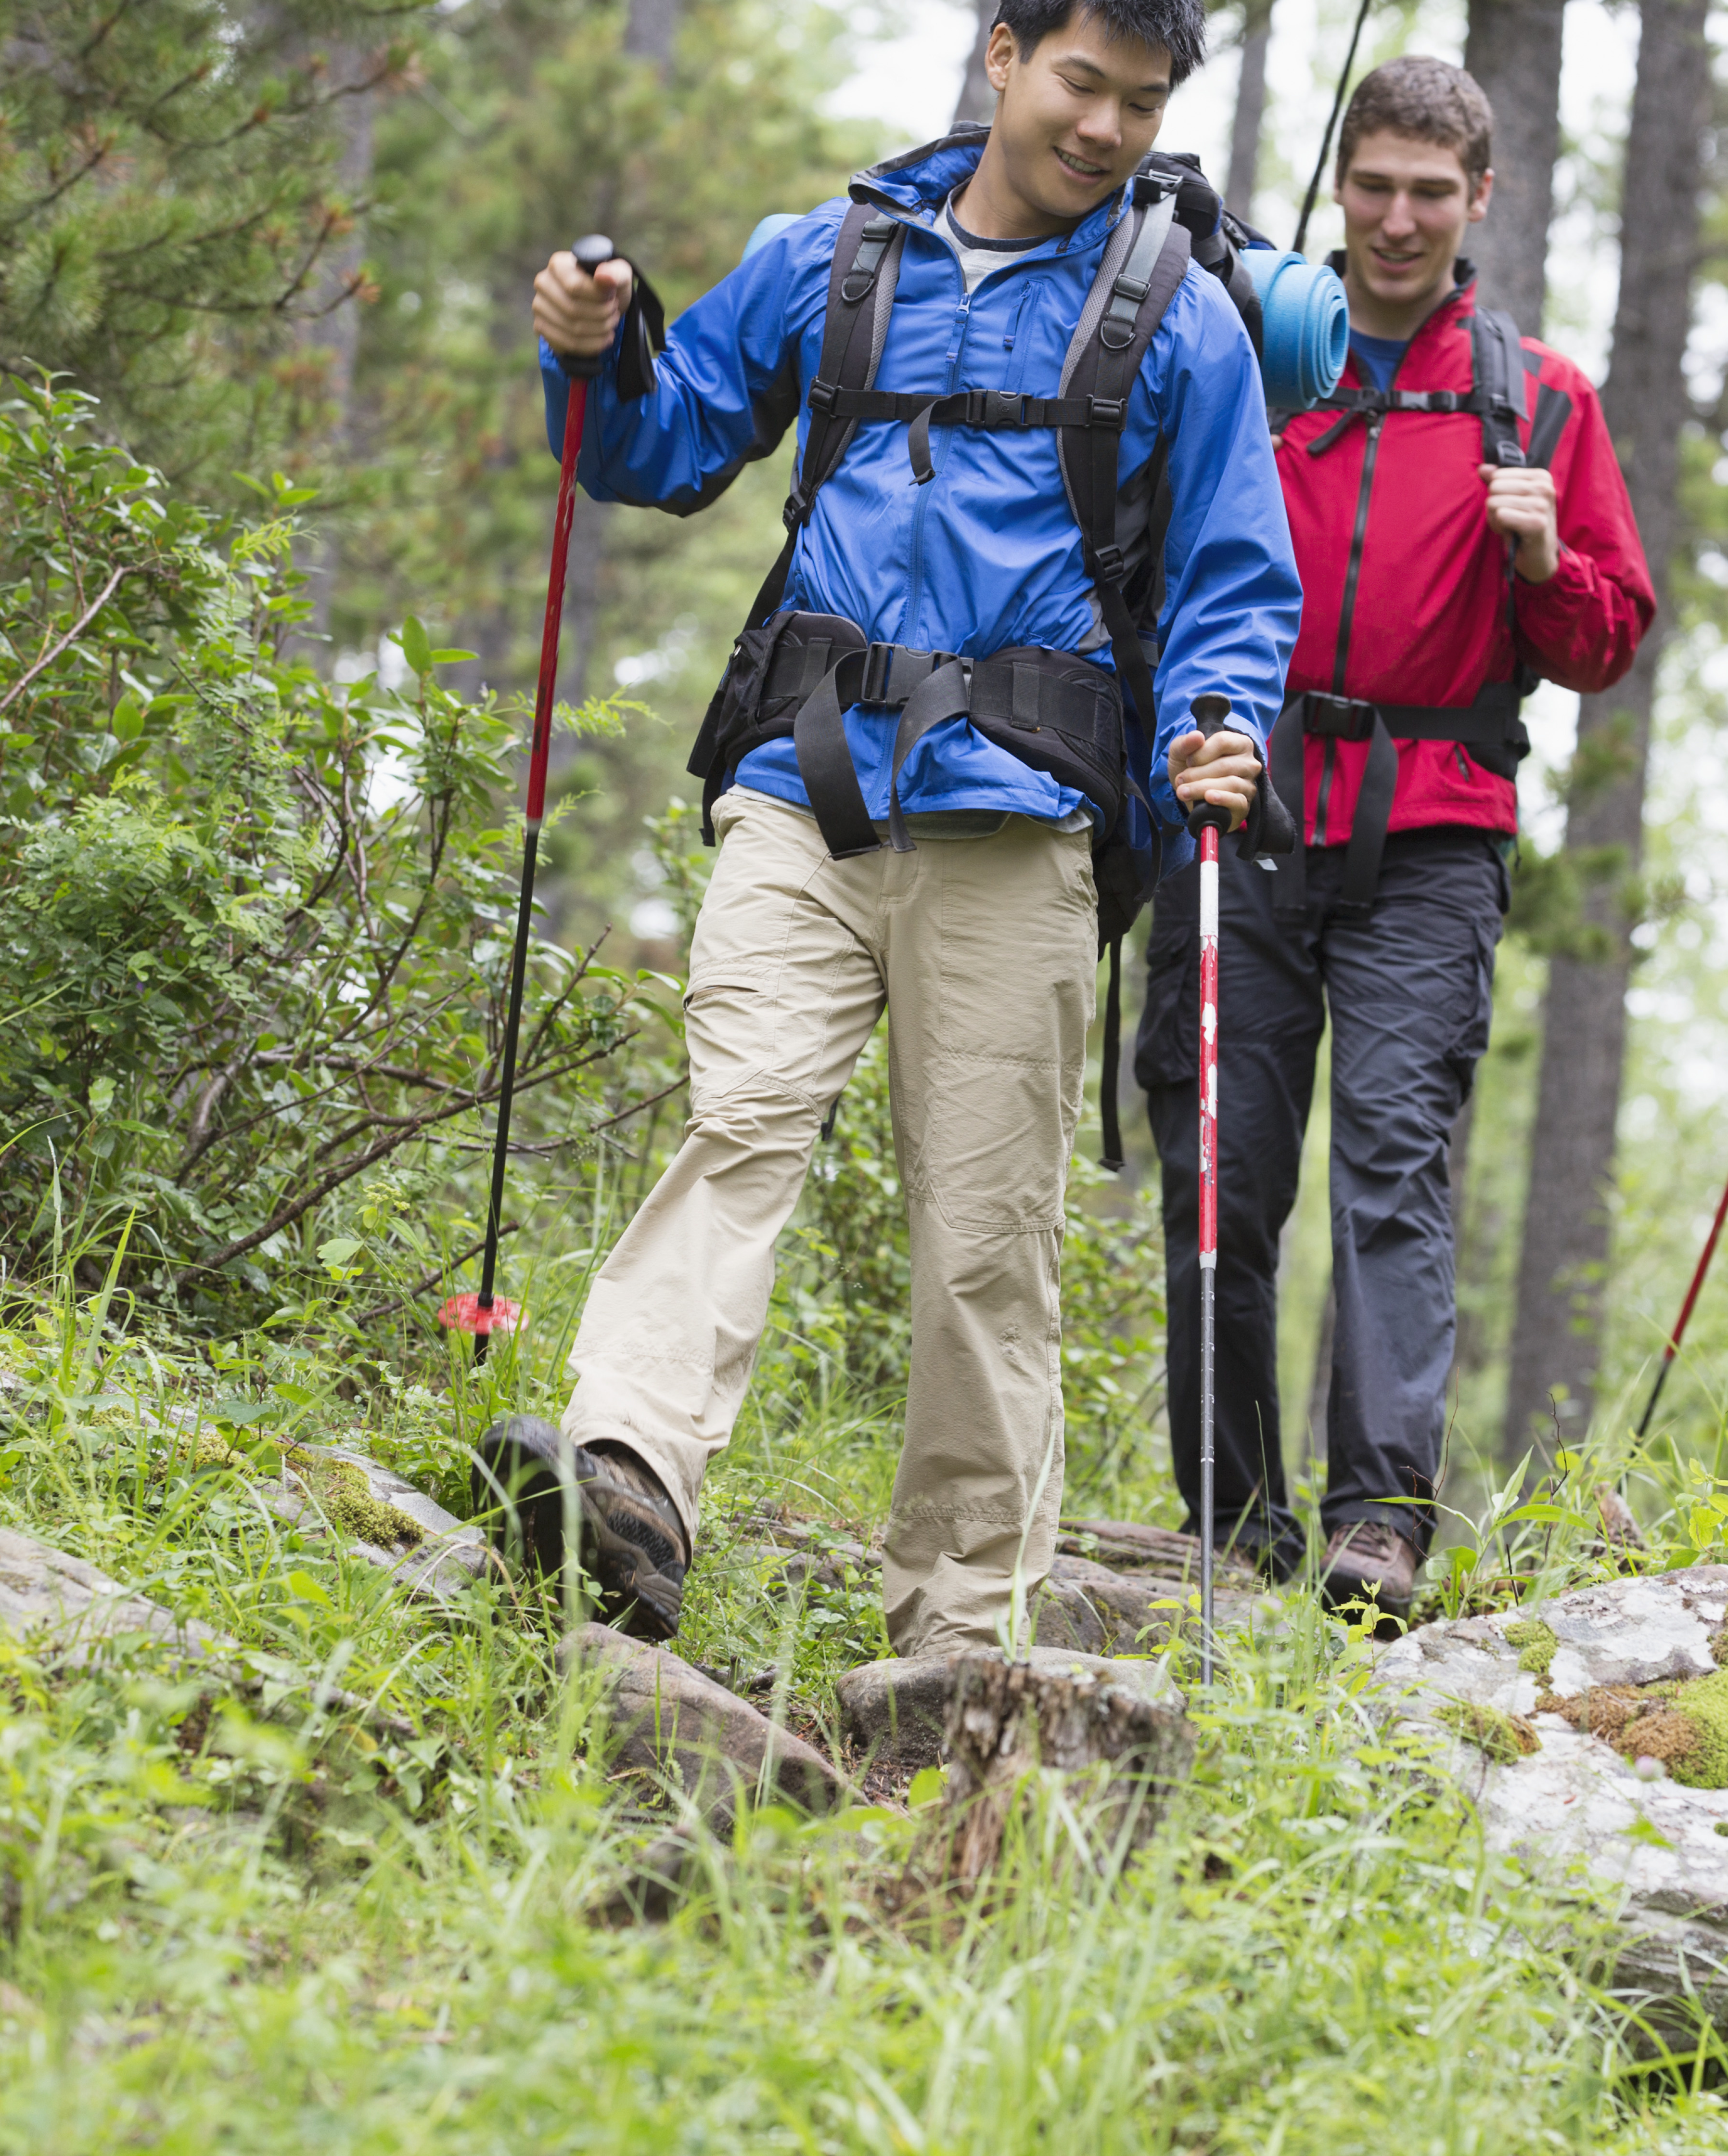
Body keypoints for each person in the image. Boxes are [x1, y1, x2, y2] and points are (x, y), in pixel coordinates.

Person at [495, 0, 1296, 1659]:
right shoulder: (832, 259)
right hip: (803, 784)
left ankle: (960, 1624)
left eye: (1141, 105)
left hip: (1021, 820)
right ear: (1004, 56)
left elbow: (1233, 575)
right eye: (1082, 82)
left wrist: (1223, 729)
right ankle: (630, 1474)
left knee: (987, 1239)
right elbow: (657, 444)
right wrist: (593, 347)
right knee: (741, 1114)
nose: (1104, 128)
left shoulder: (1183, 320)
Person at [1135, 56, 1654, 1630]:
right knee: (1220, 1163)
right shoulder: (1249, 358)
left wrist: (1546, 555)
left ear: (1480, 202)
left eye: (1434, 192)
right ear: (1343, 185)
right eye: (1376, 186)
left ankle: (1378, 1523)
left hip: (1434, 833)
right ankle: (1232, 1522)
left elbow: (1609, 634)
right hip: (1249, 803)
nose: (1400, 219)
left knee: (1392, 1165)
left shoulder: (1541, 399)